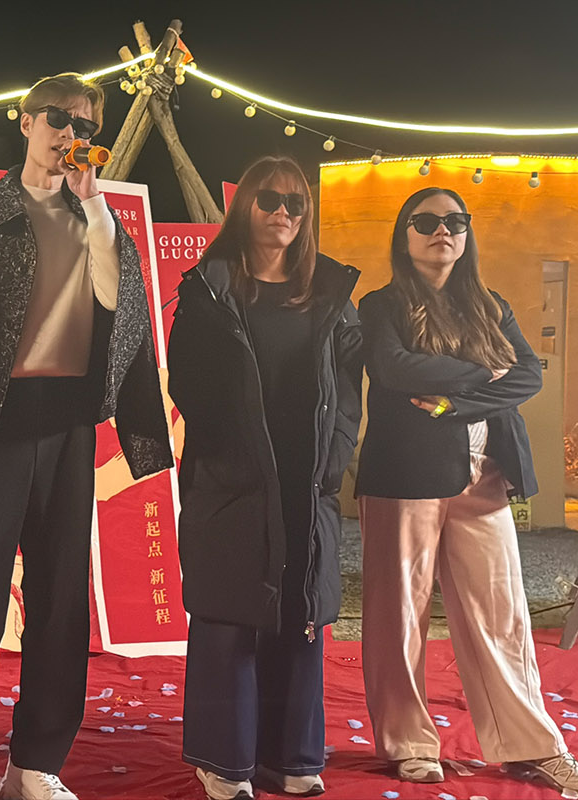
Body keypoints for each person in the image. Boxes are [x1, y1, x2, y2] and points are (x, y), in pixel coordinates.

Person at [0, 72, 173, 800]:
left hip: (65, 425)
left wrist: (94, 208)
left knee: (60, 605)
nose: (69, 133)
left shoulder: (97, 221)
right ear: (26, 122)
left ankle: (35, 763)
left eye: (84, 125)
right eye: (58, 118)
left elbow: (122, 309)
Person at [356, 187, 578, 795]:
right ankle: (410, 744)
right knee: (400, 612)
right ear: (404, 236)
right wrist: (481, 371)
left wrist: (455, 401)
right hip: (405, 474)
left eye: (455, 221)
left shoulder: (491, 305)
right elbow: (391, 367)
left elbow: (528, 375)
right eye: (426, 222)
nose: (442, 231)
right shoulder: (381, 304)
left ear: (467, 234)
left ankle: (530, 747)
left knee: (502, 613)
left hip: (484, 473)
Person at [167, 156, 362, 800]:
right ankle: (224, 760)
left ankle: (292, 754)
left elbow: (349, 390)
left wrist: (336, 456)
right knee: (228, 613)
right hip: (233, 475)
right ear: (244, 207)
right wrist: (231, 453)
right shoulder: (209, 289)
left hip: (307, 475)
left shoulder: (331, 292)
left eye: (296, 203)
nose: (283, 212)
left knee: (299, 611)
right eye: (270, 200)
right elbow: (188, 382)